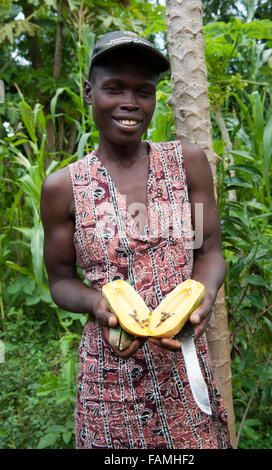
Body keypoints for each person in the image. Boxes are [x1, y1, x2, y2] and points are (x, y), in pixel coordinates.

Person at [40, 30, 231, 449]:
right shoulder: (63, 187)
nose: (130, 102)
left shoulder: (187, 163)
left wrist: (205, 294)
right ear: (89, 93)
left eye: (144, 91)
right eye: (114, 88)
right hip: (109, 381)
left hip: (183, 368)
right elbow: (59, 282)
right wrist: (96, 303)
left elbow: (210, 252)